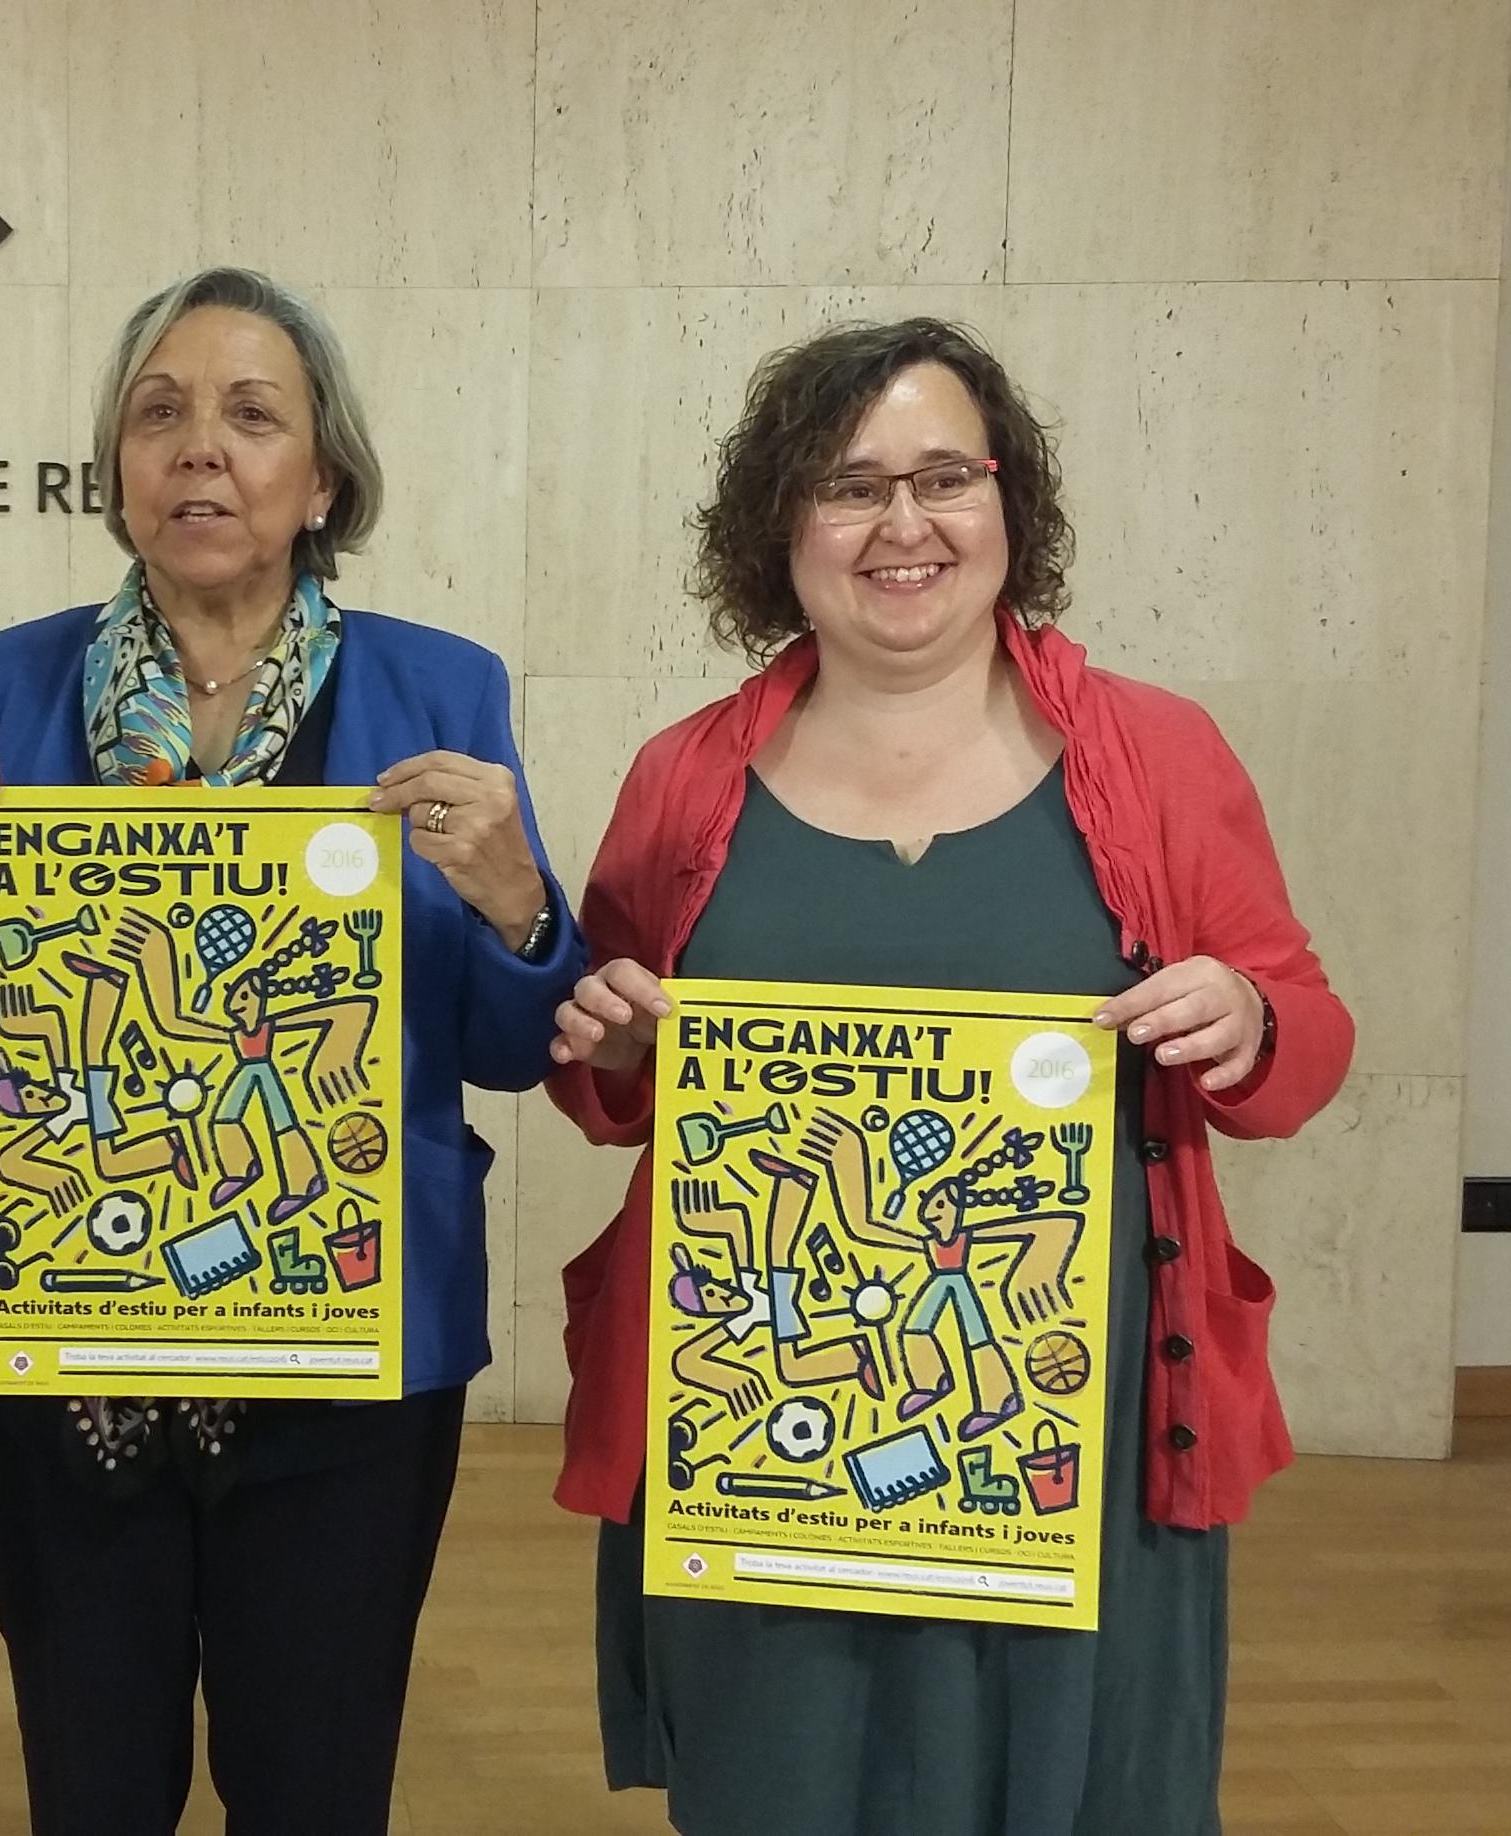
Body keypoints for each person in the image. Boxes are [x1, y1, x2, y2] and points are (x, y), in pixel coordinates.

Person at [545, 318, 1353, 1835]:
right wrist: (614, 1046)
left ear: (1007, 501)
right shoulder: (683, 776)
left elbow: (1305, 1036)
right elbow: (610, 1087)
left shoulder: (1161, 756)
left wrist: (1248, 1016)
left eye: (942, 478)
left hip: (1065, 1442)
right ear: (780, 525)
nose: (901, 524)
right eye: (848, 486)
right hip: (769, 1434)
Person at [0, 267, 581, 1835]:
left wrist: (520, 901)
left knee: (313, 1785)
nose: (200, 447)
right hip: (66, 1330)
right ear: (117, 470)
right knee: (93, 1783)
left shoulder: (441, 690)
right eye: (159, 413)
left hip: (352, 1345)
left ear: (323, 481)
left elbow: (511, 1051)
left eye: (252, 415)